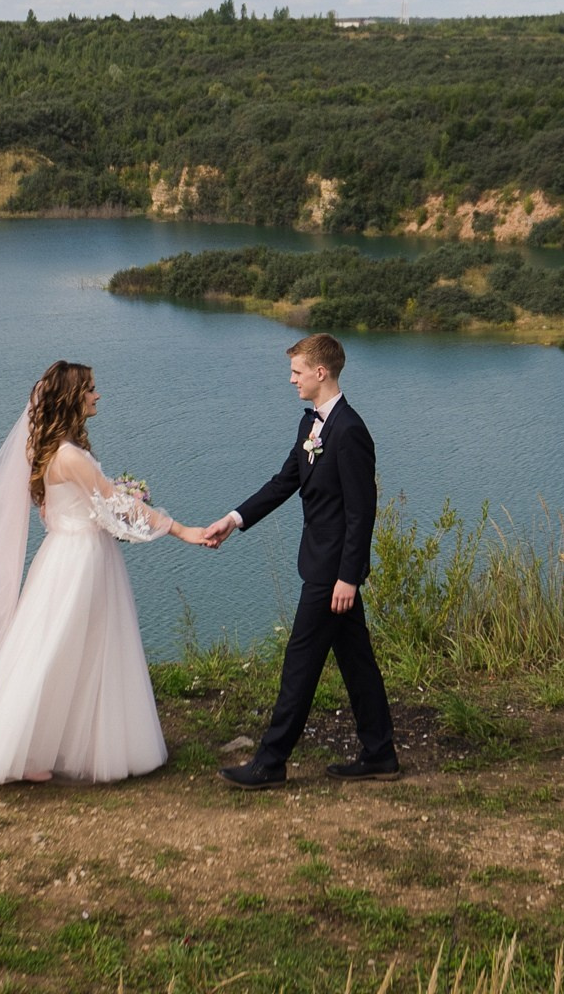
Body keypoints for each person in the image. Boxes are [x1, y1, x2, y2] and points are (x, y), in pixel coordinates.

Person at [0, 360, 210, 785]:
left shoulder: (52, 450)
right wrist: (181, 529)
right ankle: (21, 750)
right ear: (73, 397)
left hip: (68, 553)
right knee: (59, 647)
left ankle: (60, 743)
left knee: (75, 646)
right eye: (90, 388)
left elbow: (64, 507)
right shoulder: (70, 456)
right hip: (80, 559)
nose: (97, 395)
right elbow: (117, 504)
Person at [201, 333, 400, 787]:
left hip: (331, 573)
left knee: (300, 662)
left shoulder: (349, 431)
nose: (291, 380)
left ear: (320, 372)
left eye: (296, 372)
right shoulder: (312, 425)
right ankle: (381, 753)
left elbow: (361, 511)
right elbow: (284, 481)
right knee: (356, 662)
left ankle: (270, 763)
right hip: (323, 564)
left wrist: (349, 577)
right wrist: (233, 519)